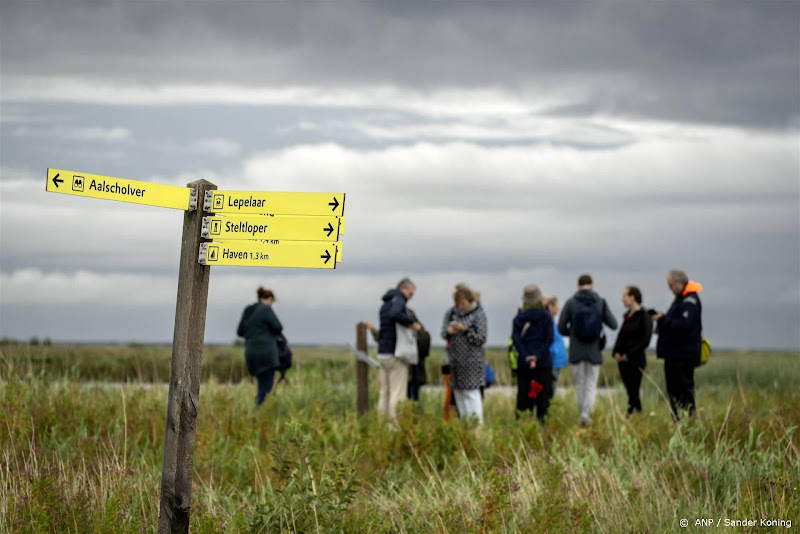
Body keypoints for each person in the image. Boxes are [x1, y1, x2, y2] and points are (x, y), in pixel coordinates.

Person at [559, 274, 618, 427]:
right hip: (594, 351)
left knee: (580, 384)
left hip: (576, 351)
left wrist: (572, 333)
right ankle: (587, 415)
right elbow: (613, 324)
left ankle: (582, 415)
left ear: (578, 285)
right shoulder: (600, 302)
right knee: (591, 384)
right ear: (592, 285)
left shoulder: (571, 303)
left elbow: (560, 327)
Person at [652, 270, 703, 421]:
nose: (670, 288)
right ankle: (677, 420)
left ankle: (690, 420)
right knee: (673, 390)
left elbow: (684, 325)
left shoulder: (690, 301)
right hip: (673, 354)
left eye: (671, 285)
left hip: (683, 355)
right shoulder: (680, 300)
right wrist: (663, 318)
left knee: (684, 389)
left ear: (680, 283)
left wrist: (664, 320)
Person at [376, 278, 422, 421]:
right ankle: (395, 428)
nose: (411, 297)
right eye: (411, 293)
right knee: (397, 393)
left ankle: (381, 426)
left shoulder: (385, 304)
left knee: (385, 393)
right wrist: (412, 324)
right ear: (404, 288)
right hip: (395, 353)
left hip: (383, 354)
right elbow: (395, 314)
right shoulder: (399, 299)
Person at [365, 309, 430, 402]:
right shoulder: (421, 332)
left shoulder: (404, 331)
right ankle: (412, 414)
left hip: (410, 371)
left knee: (404, 397)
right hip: (416, 371)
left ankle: (406, 415)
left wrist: (372, 329)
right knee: (411, 399)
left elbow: (381, 337)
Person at [512, 285, 554, 422]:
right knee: (544, 397)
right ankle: (542, 424)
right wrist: (537, 356)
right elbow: (549, 339)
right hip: (543, 362)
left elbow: (516, 340)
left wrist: (526, 356)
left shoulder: (519, 318)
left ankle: (522, 424)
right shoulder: (547, 317)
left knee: (523, 395)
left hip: (524, 363)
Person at [446, 286, 488, 425]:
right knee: (459, 395)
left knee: (471, 395)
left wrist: (465, 330)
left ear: (470, 301)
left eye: (463, 303)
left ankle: (477, 426)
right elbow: (446, 334)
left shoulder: (479, 315)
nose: (460, 306)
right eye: (458, 303)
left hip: (472, 364)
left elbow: (481, 338)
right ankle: (465, 427)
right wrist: (450, 331)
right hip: (457, 363)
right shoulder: (456, 314)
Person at [237, 287, 284, 407]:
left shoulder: (248, 310)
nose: (271, 304)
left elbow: (240, 331)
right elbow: (278, 327)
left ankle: (260, 409)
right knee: (266, 385)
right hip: (266, 354)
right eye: (272, 302)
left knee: (261, 382)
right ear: (269, 299)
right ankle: (259, 410)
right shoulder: (266, 309)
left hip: (251, 353)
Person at [611, 286, 653, 416]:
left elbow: (645, 340)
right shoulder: (627, 316)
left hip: (636, 359)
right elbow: (621, 336)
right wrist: (615, 352)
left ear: (632, 297)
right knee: (629, 388)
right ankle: (633, 412)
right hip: (623, 360)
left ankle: (635, 412)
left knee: (634, 388)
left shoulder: (644, 316)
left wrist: (629, 354)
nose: (622, 299)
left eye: (625, 296)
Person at [441, 283, 469, 420]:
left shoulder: (473, 314)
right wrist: (449, 330)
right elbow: (442, 332)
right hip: (451, 358)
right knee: (450, 394)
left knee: (468, 394)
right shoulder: (450, 312)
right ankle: (448, 422)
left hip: (468, 360)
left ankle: (467, 422)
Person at [542, 295, 568, 394]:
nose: (558, 308)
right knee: (550, 390)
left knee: (552, 389)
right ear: (550, 306)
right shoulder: (547, 322)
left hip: (556, 362)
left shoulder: (552, 321)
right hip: (552, 362)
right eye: (556, 305)